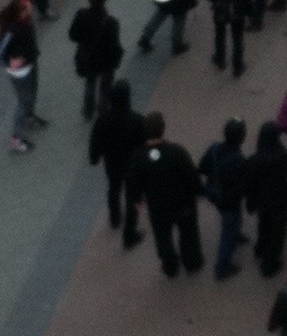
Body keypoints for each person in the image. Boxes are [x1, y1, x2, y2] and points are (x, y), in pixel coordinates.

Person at [127, 110, 204, 278]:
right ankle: (191, 262)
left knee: (162, 237)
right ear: (163, 129)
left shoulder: (139, 156)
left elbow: (133, 182)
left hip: (158, 206)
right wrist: (197, 191)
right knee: (188, 233)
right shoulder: (176, 151)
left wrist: (137, 199)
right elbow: (191, 174)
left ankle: (170, 266)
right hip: (182, 202)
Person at [88, 79, 146, 248]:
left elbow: (95, 141)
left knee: (113, 188)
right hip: (132, 166)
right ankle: (130, 234)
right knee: (133, 197)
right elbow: (144, 145)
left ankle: (114, 218)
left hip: (112, 164)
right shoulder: (137, 120)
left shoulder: (103, 120)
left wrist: (94, 157)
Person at [199, 116, 249, 280]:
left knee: (232, 220)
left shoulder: (214, 148)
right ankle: (222, 267)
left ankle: (237, 234)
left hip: (215, 194)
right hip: (230, 200)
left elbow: (202, 167)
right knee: (228, 230)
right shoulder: (239, 160)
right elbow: (244, 183)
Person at [246, 121, 287, 277]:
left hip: (262, 200)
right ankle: (269, 264)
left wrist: (250, 202)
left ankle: (260, 248)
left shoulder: (255, 159)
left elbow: (251, 183)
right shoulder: (283, 157)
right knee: (277, 232)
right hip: (279, 200)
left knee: (264, 225)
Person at [68, 0, 123, 121]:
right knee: (105, 88)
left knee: (90, 82)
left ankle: (88, 110)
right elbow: (114, 45)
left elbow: (73, 35)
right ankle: (103, 114)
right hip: (105, 61)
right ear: (105, 0)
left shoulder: (81, 15)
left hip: (88, 57)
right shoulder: (111, 22)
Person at [1, 0, 44, 153]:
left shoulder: (24, 21)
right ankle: (16, 139)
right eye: (28, 7)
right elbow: (1, 51)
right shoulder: (11, 29)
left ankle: (29, 117)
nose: (31, 7)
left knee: (33, 92)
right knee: (23, 101)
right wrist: (8, 61)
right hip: (20, 71)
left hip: (30, 63)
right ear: (21, 13)